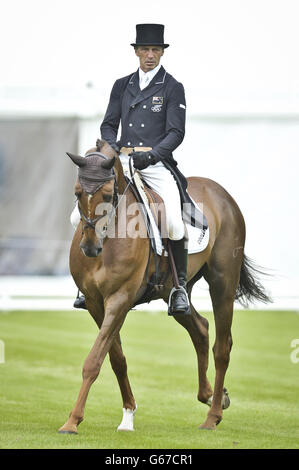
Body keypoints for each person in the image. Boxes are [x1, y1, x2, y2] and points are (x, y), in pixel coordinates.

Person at [74, 23, 190, 315]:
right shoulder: (121, 85)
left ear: (161, 53)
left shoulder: (173, 87)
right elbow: (108, 124)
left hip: (156, 164)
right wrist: (112, 148)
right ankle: (84, 282)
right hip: (121, 160)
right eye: (145, 50)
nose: (150, 55)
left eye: (155, 50)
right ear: (137, 52)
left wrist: (151, 156)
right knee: (77, 213)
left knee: (174, 222)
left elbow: (176, 133)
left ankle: (179, 289)